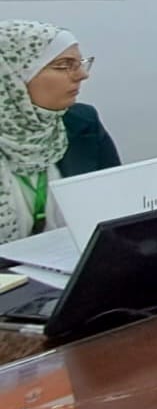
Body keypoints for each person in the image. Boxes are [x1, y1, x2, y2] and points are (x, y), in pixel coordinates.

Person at [0, 21, 119, 245]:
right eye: (64, 65)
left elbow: (118, 209)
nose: (82, 75)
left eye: (80, 64)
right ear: (11, 77)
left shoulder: (81, 122)